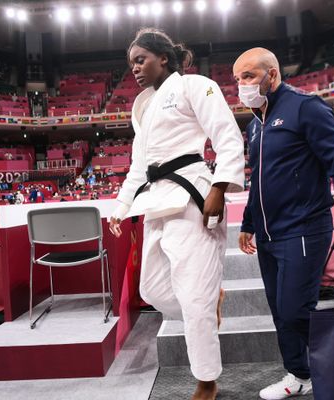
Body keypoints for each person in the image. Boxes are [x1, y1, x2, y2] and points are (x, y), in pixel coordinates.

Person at [109, 28, 244, 400]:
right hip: (154, 200)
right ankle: (209, 299)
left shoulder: (194, 85)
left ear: (163, 58)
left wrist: (220, 186)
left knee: (194, 297)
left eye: (141, 60)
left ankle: (206, 381)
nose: (134, 68)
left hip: (192, 198)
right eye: (131, 63)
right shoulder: (142, 105)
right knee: (151, 288)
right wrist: (121, 207)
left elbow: (227, 135)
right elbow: (139, 166)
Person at [234, 48, 334, 400]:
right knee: (280, 312)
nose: (241, 85)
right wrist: (248, 222)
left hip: (304, 228)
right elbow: (258, 179)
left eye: (248, 76)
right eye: (237, 80)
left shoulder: (306, 108)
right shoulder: (256, 125)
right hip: (268, 233)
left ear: (271, 75)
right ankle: (299, 374)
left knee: (295, 310)